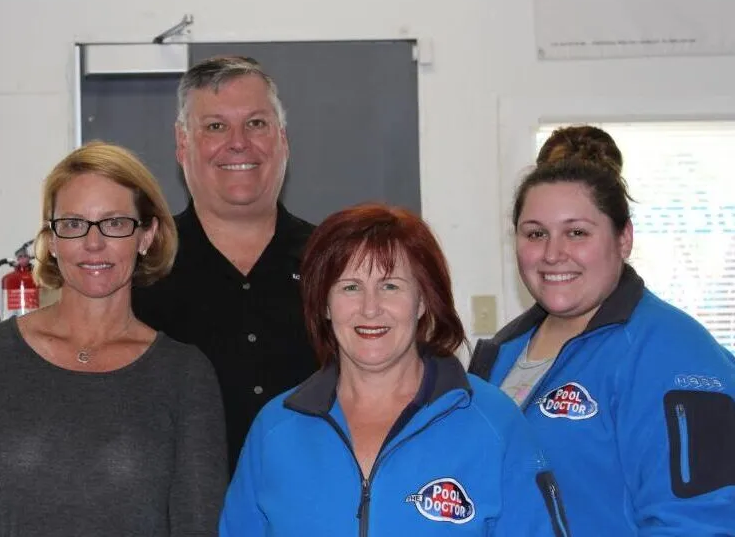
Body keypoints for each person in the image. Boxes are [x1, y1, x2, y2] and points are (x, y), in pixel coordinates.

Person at [0, 55, 318, 475]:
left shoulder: (337, 265)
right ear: (182, 143)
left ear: (282, 138)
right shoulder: (126, 269)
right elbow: (55, 394)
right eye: (215, 126)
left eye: (256, 123)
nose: (238, 142)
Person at [0, 142, 227, 536]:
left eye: (114, 223)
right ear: (51, 240)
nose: (93, 243)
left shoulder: (184, 375)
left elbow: (198, 527)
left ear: (146, 236)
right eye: (72, 224)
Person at [220, 203, 572, 536]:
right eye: (350, 287)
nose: (370, 308)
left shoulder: (493, 423)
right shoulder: (275, 430)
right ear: (324, 304)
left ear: (422, 301)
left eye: (390, 286)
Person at [468, 125, 735, 535]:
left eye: (576, 233)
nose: (553, 254)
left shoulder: (673, 355)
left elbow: (703, 521)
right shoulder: (502, 354)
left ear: (624, 239)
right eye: (536, 233)